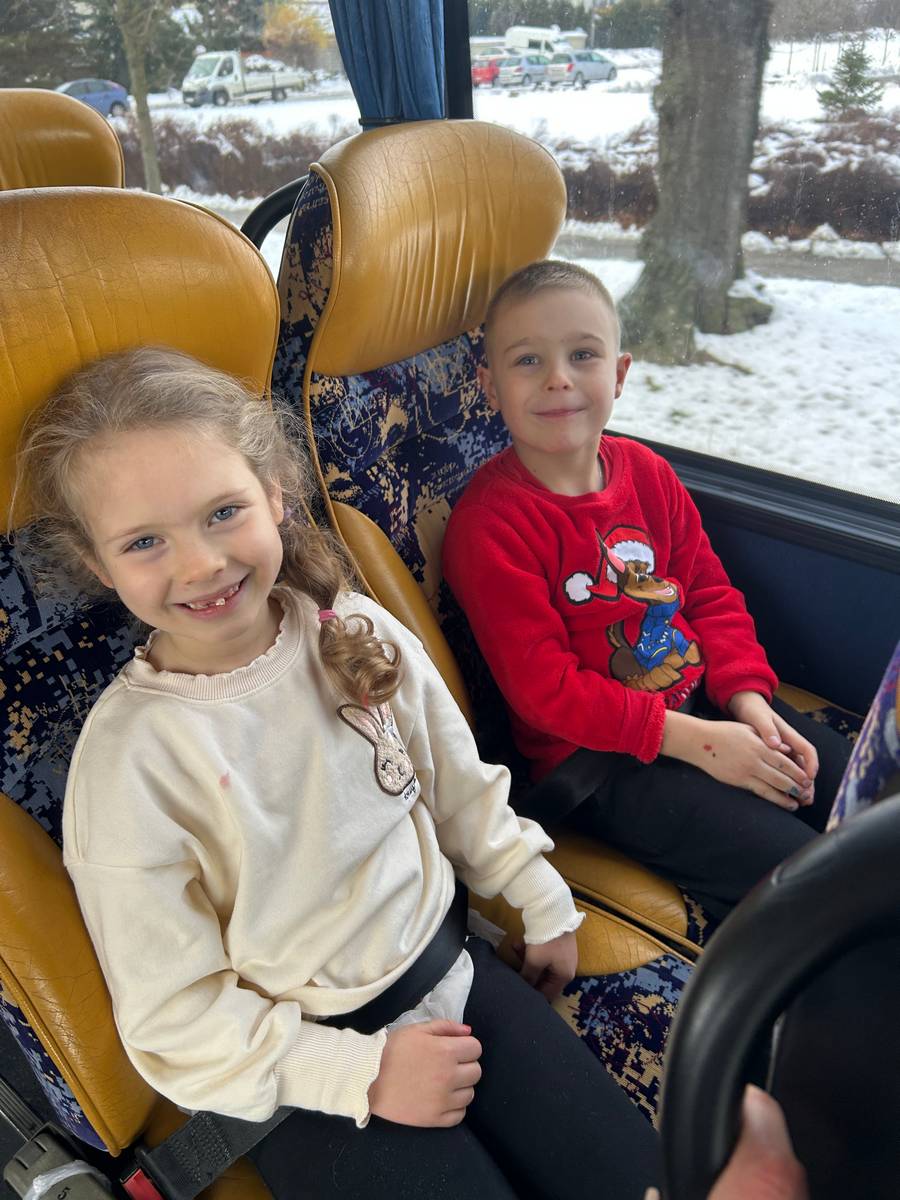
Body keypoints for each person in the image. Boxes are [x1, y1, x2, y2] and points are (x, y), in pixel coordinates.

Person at [14, 346, 660, 1199]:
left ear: (276, 493)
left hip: (456, 969)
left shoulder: (350, 627)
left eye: (223, 512)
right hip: (302, 1072)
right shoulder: (132, 761)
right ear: (100, 566)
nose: (200, 565)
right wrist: (360, 1072)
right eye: (144, 542)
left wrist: (537, 897)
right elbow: (174, 1013)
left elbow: (457, 785)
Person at [442, 261, 851, 923]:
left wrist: (747, 701)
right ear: (490, 387)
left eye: (583, 355)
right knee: (812, 879)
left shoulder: (648, 474)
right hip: (603, 763)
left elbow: (709, 595)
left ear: (620, 374)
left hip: (703, 703)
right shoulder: (491, 526)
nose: (558, 378)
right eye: (528, 360)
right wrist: (701, 744)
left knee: (867, 804)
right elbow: (546, 691)